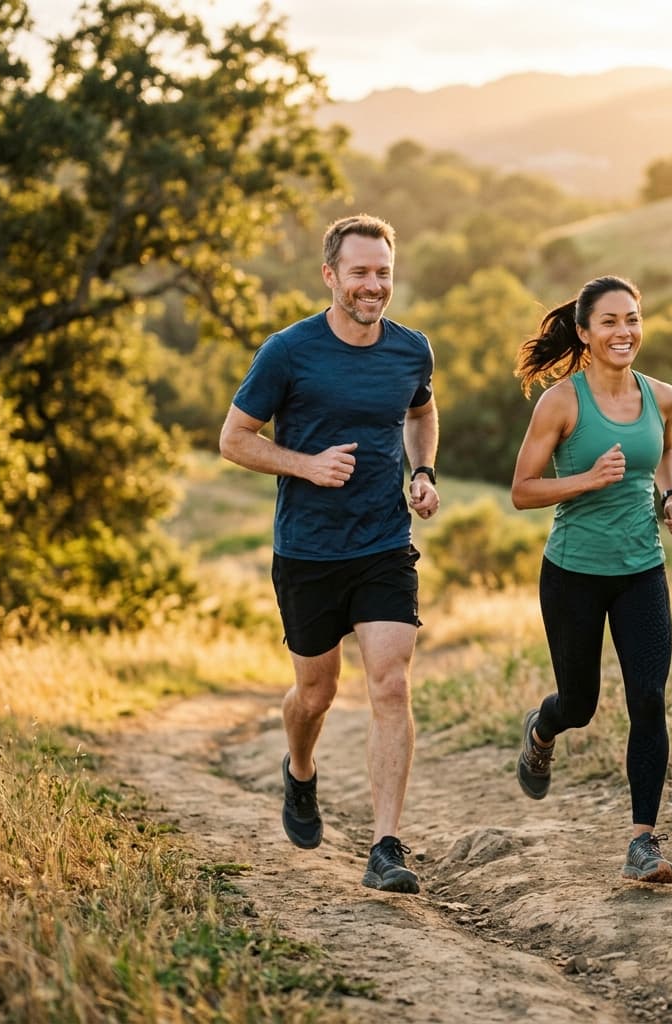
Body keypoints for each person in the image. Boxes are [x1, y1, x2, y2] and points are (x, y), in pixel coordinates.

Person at [219, 213, 439, 895]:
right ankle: (301, 772)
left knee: (391, 683)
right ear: (331, 276)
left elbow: (421, 411)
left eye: (383, 273)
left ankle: (385, 846)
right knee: (316, 693)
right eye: (360, 273)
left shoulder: (412, 349)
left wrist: (423, 473)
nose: (373, 286)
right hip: (309, 550)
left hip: (382, 542)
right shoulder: (288, 352)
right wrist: (307, 466)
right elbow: (234, 439)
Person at [510, 275, 672, 884]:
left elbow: (665, 451)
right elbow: (522, 491)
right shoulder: (561, 402)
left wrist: (671, 498)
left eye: (633, 319)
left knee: (648, 697)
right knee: (581, 704)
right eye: (610, 322)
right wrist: (585, 478)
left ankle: (643, 843)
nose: (625, 332)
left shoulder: (662, 395)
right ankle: (543, 727)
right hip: (573, 575)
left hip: (642, 570)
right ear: (585, 334)